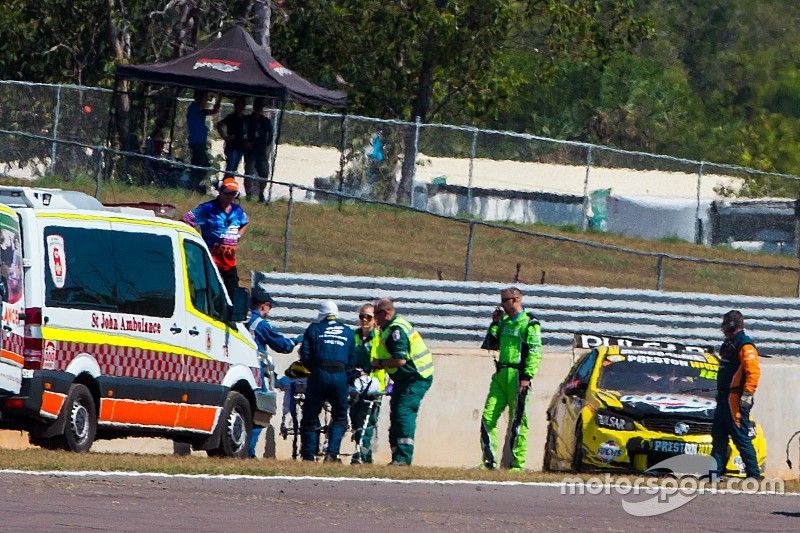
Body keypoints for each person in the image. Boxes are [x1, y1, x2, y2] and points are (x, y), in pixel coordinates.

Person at [479, 287, 542, 472]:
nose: (502, 305)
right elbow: (490, 344)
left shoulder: (530, 323)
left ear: (515, 300)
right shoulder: (504, 322)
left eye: (504, 301)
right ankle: (489, 462)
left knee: (518, 421)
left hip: (518, 376)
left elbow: (535, 352)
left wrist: (526, 377)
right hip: (500, 375)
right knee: (487, 417)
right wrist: (495, 323)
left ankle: (517, 464)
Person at [372, 298, 434, 466]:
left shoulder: (396, 330)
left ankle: (403, 458)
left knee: (404, 413)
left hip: (416, 377)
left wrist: (380, 364)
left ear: (385, 313)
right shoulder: (387, 329)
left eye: (375, 314)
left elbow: (400, 360)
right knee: (396, 413)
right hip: (403, 379)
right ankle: (396, 456)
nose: (373, 318)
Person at [298, 300, 356, 462]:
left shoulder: (314, 329)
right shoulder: (348, 332)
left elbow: (305, 355)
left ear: (321, 314)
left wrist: (314, 369)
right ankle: (332, 453)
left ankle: (309, 454)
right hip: (340, 376)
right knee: (339, 416)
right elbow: (352, 360)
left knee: (310, 415)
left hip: (319, 374)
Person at [246, 287, 300, 459]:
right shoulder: (260, 324)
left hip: (239, 369)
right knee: (262, 411)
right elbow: (283, 346)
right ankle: (249, 451)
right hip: (256, 371)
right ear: (264, 306)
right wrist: (297, 340)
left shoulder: (242, 320)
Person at [710, 310, 762, 480]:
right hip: (723, 398)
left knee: (740, 437)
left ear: (732, 325)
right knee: (718, 435)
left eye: (724, 324)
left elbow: (753, 372)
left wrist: (747, 395)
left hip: (735, 400)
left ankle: (754, 474)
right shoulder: (728, 344)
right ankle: (714, 473)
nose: (722, 327)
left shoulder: (745, 344)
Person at [181, 177, 249, 297]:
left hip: (229, 261)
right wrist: (195, 240)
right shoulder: (207, 208)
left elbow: (245, 222)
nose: (230, 196)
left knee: (231, 295)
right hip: (211, 260)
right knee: (210, 293)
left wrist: (238, 235)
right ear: (220, 191)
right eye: (227, 193)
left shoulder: (237, 211)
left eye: (233, 193)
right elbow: (186, 220)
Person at [349, 303, 388, 464]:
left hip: (374, 383)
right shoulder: (354, 336)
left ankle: (361, 455)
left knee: (368, 420)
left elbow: (385, 359)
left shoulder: (380, 338)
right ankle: (365, 456)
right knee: (356, 419)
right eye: (362, 316)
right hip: (355, 382)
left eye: (368, 317)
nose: (364, 320)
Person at [186, 90, 221, 192]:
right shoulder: (193, 107)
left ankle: (195, 185)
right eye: (202, 96)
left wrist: (219, 98)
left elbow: (214, 111)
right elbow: (202, 104)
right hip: (195, 141)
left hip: (201, 141)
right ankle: (195, 184)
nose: (204, 99)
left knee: (201, 164)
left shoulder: (201, 111)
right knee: (202, 164)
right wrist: (207, 93)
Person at [244, 97, 273, 202]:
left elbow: (270, 135)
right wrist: (246, 142)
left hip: (261, 152)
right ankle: (248, 195)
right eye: (257, 106)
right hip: (250, 152)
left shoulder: (265, 121)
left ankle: (261, 193)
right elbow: (243, 132)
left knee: (264, 173)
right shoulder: (248, 119)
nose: (258, 108)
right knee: (248, 173)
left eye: (260, 106)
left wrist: (266, 145)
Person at [216, 96, 248, 180]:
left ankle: (230, 185)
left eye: (242, 105)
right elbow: (219, 125)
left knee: (234, 168)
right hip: (232, 146)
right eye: (238, 104)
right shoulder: (231, 117)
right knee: (230, 166)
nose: (240, 107)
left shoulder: (245, 118)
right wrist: (225, 137)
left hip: (240, 146)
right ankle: (225, 185)